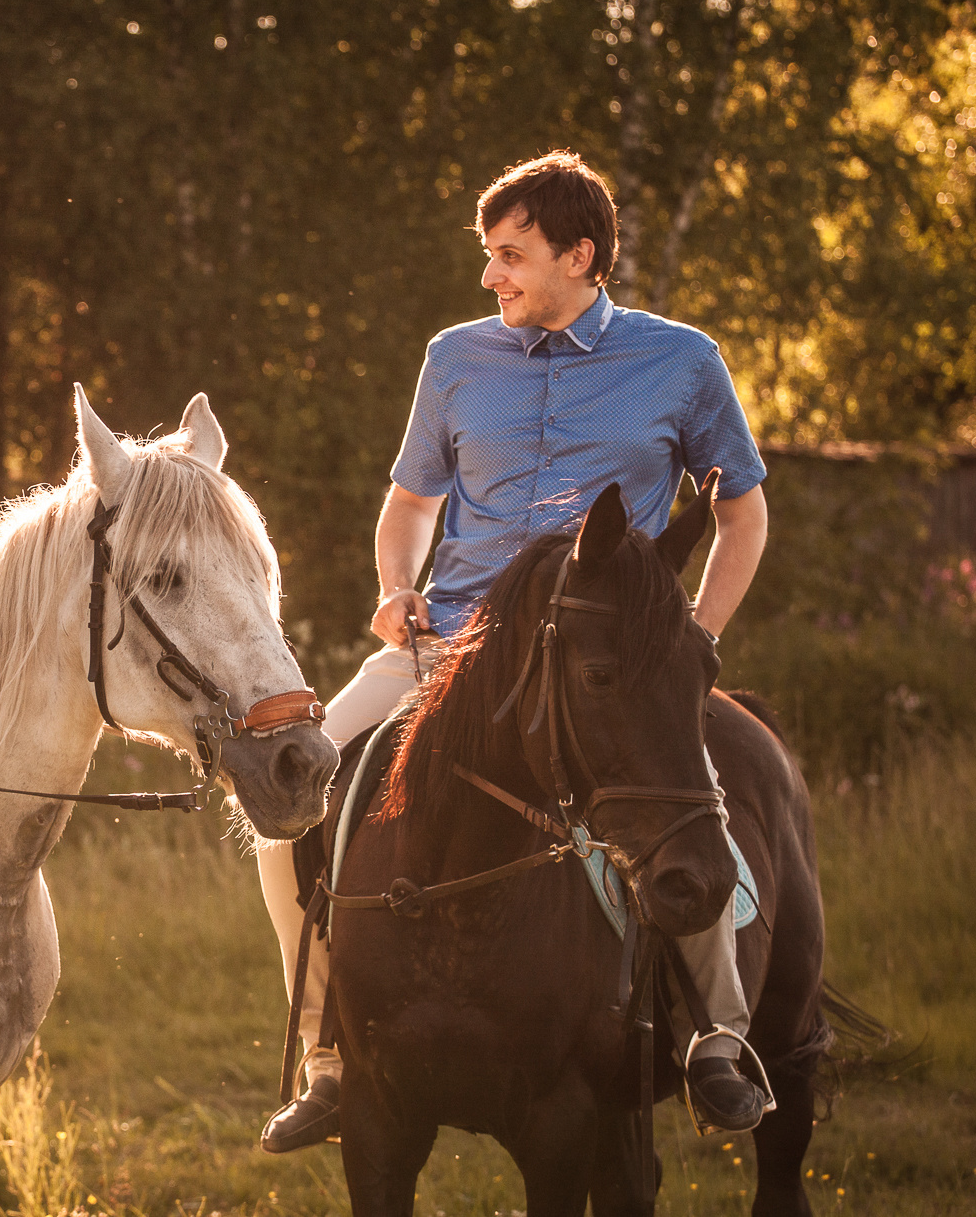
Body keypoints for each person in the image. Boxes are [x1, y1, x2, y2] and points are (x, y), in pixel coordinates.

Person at [258, 150, 773, 1152]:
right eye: (489, 253)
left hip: (607, 664)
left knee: (689, 807)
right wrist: (395, 586)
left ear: (578, 256)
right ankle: (328, 1052)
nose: (490, 274)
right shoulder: (455, 358)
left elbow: (742, 515)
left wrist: (692, 640)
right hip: (449, 646)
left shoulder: (680, 362)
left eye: (510, 254)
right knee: (292, 803)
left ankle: (717, 1035)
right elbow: (410, 504)